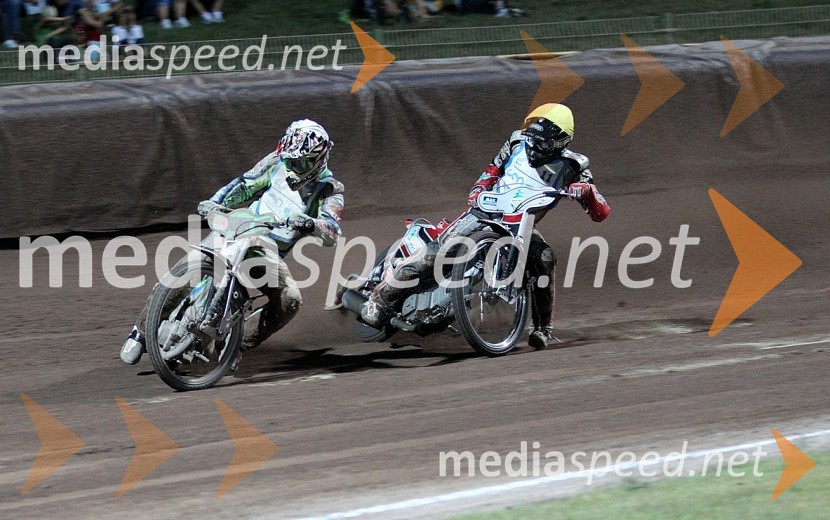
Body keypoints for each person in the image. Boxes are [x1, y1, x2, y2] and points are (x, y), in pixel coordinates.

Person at [360, 103, 609, 349]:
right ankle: (379, 301)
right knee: (436, 253)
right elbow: (493, 169)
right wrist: (479, 187)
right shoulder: (517, 141)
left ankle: (542, 329)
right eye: (533, 133)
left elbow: (601, 212)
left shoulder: (575, 165)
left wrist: (586, 191)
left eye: (542, 137)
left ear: (559, 140)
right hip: (483, 212)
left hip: (520, 224)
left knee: (544, 258)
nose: (534, 141)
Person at [120, 120, 345, 365]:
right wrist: (215, 203)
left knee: (290, 300)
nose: (290, 167)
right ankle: (141, 331)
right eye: (289, 161)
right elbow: (245, 184)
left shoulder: (331, 190)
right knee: (189, 266)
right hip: (239, 229)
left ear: (317, 160)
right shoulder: (275, 163)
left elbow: (332, 231)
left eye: (298, 163)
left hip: (266, 252)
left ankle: (237, 344)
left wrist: (311, 224)